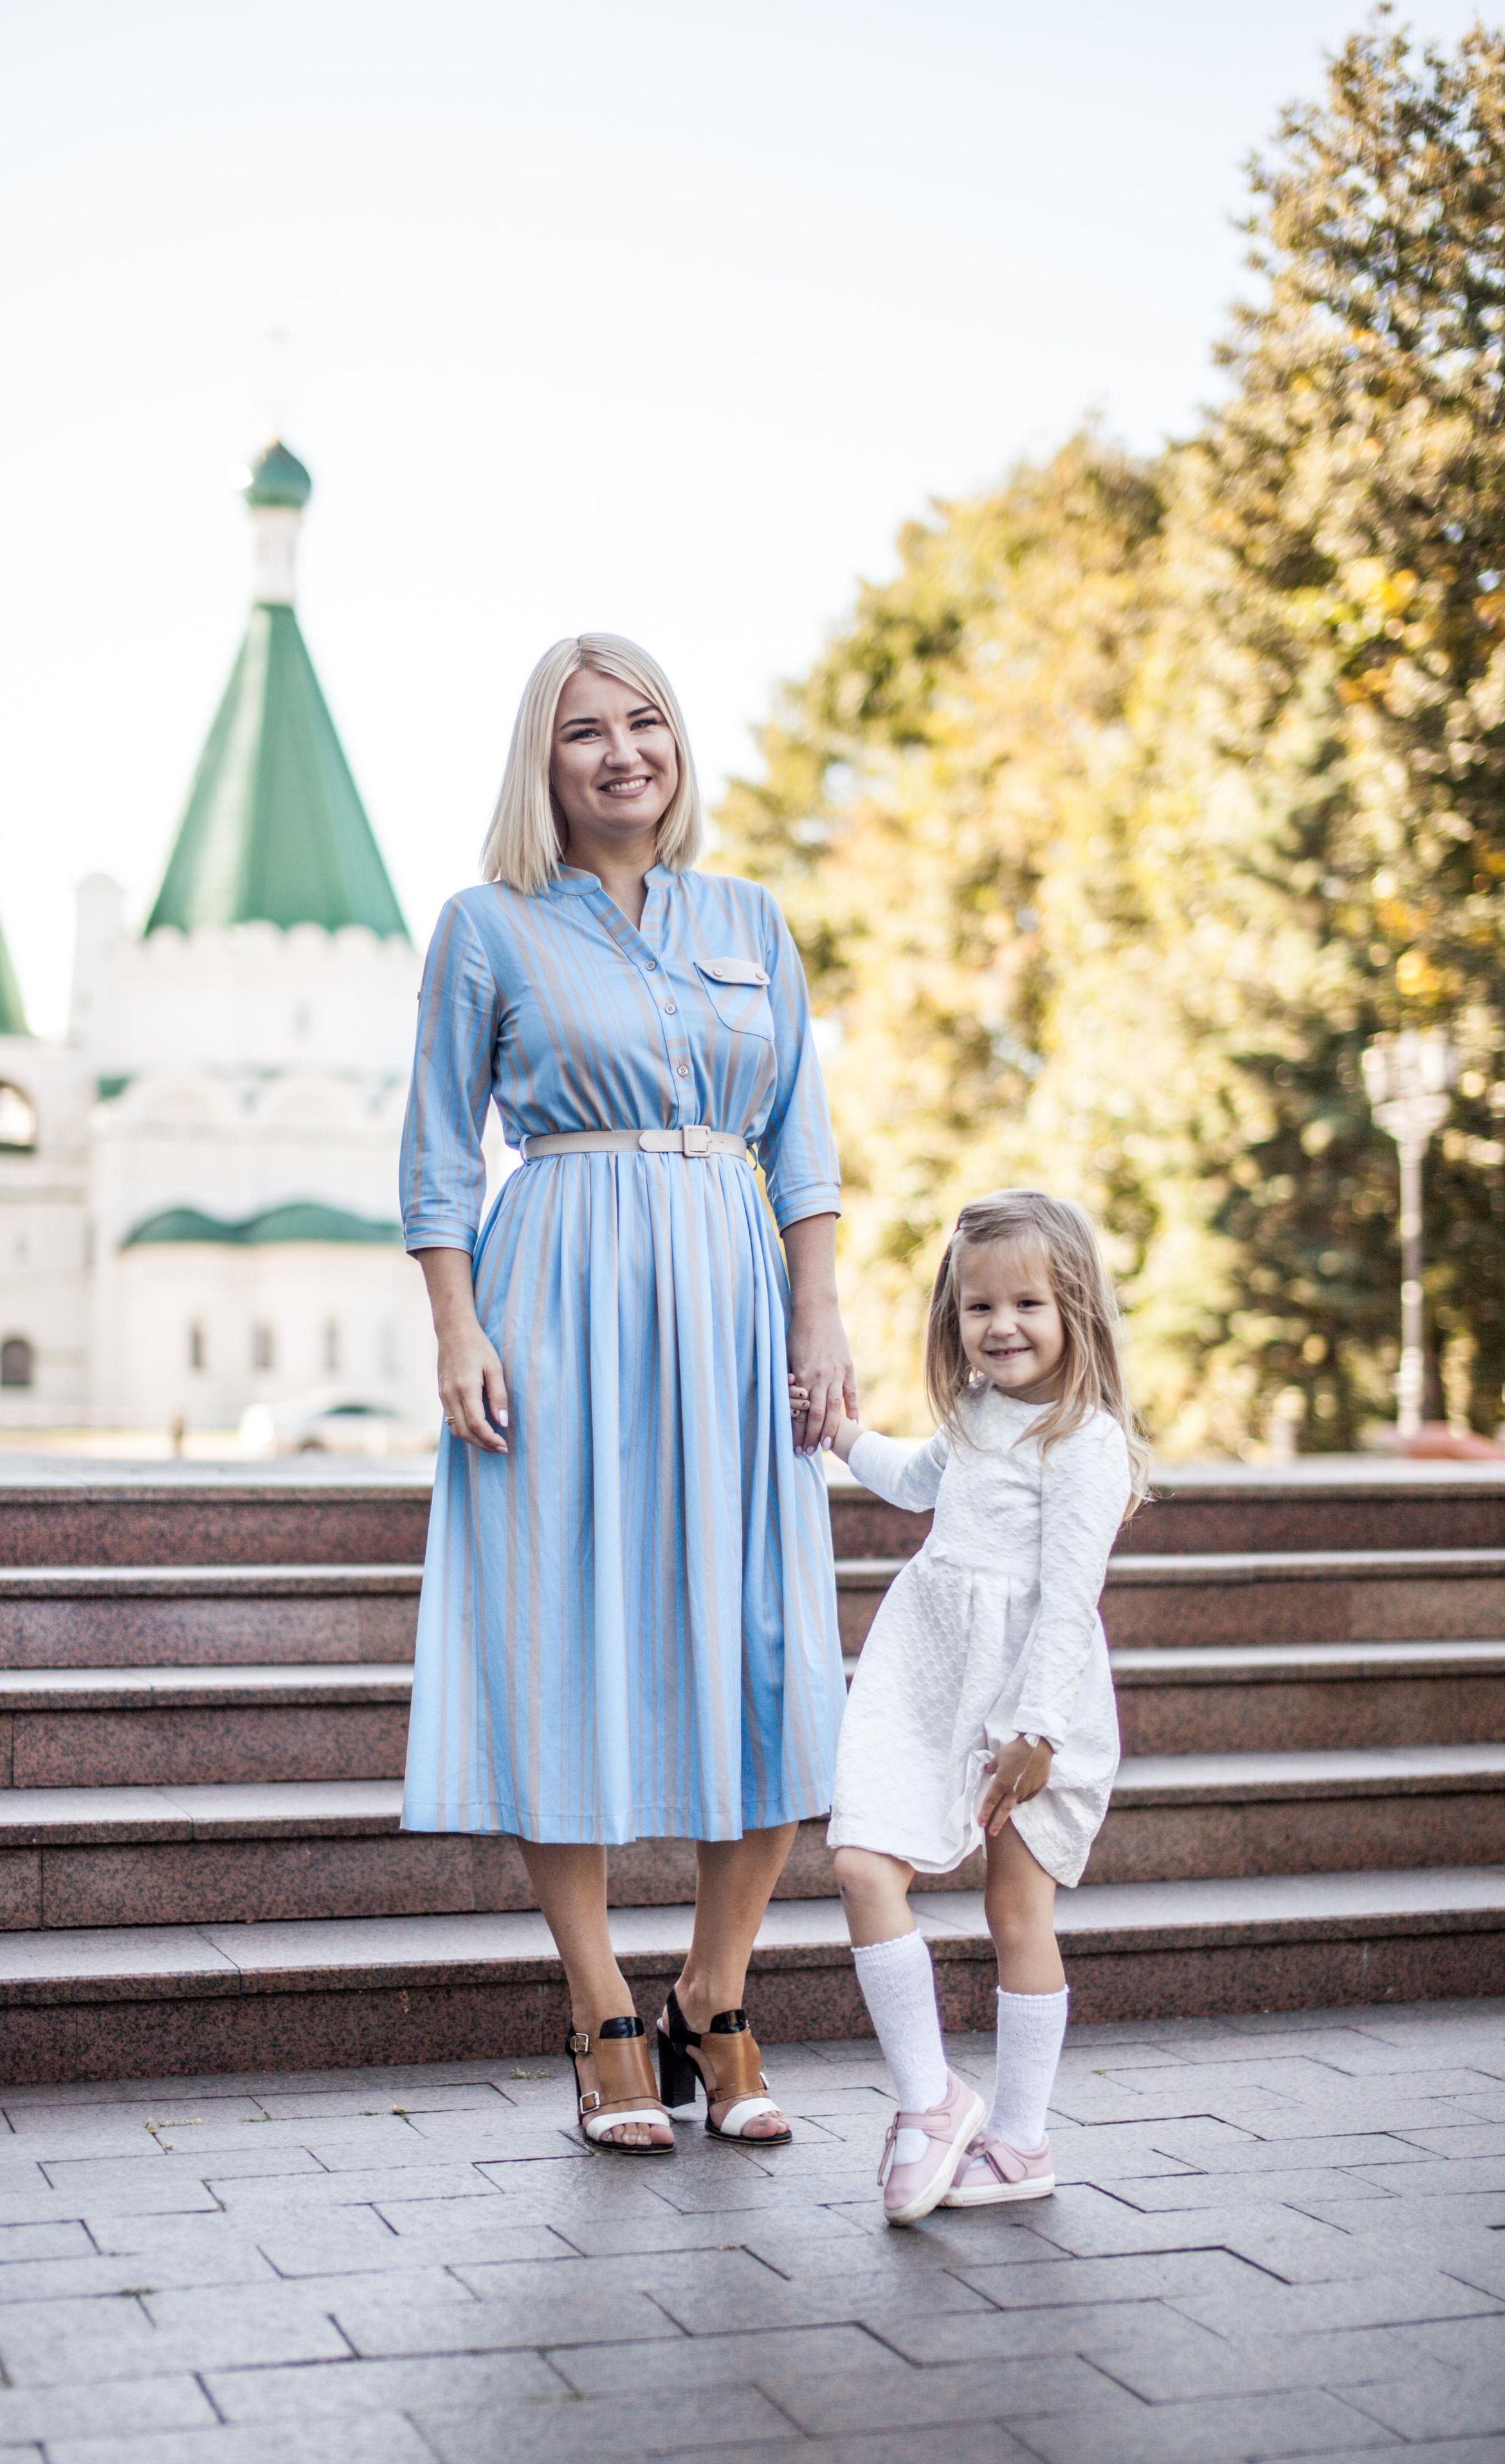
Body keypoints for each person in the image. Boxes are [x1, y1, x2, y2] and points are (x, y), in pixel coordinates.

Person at [400, 633, 852, 2153]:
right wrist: (456, 1329)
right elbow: (439, 1152)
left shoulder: (748, 917)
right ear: (543, 763)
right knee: (557, 1632)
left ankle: (712, 1998)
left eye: (643, 721)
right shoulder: (486, 926)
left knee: (769, 1641)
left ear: (676, 746)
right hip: (557, 1298)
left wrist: (817, 1319)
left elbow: (799, 1143)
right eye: (584, 730)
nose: (621, 752)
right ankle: (598, 2007)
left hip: (730, 1303)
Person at [807, 1188, 1146, 2223]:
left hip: (1033, 1708)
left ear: (1074, 1309)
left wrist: (1035, 1731)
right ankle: (931, 2100)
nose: (1002, 1326)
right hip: (929, 1682)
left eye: (1028, 1304)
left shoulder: (1084, 1440)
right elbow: (914, 1479)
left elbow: (1069, 1595)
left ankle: (1021, 2141)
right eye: (979, 1307)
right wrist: (840, 1434)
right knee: (862, 1863)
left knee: (1016, 1914)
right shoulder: (971, 1415)